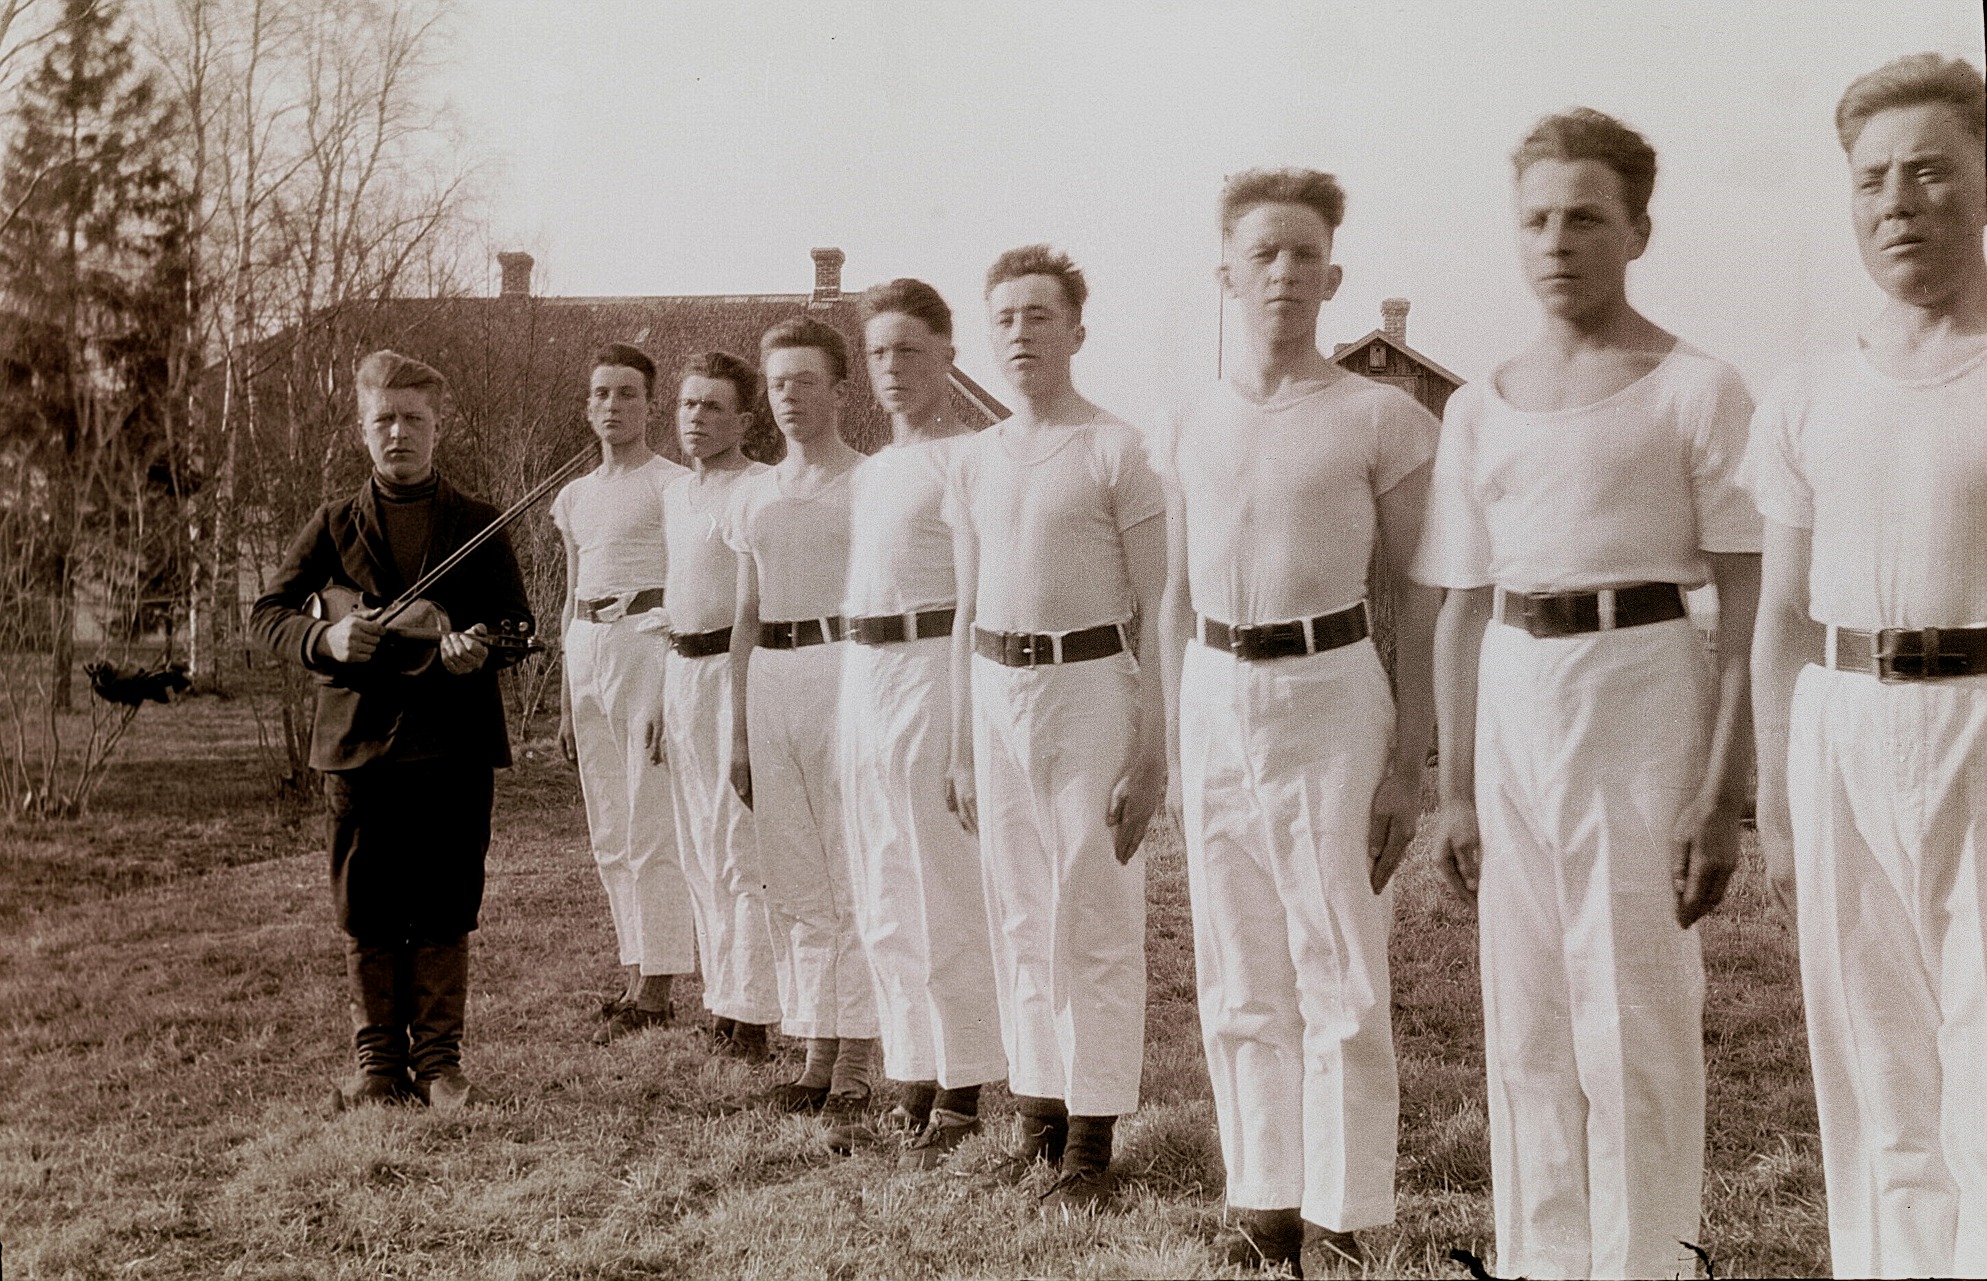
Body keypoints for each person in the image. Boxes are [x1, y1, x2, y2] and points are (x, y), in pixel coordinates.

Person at [1412, 110, 1761, 1279]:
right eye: (1537, 219)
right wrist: (1454, 790)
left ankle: (1649, 1262)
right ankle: (1543, 1260)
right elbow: (1461, 604)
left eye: (1587, 218)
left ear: (1639, 231)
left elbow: (1751, 597)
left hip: (1641, 682)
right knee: (1527, 1022)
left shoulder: (1697, 389)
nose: (1558, 241)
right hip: (1515, 693)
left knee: (1634, 1016)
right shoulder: (1477, 404)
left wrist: (1723, 792)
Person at [1159, 169, 1439, 1276]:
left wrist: (1409, 757)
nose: (1282, 272)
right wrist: (1164, 737)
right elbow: (1172, 600)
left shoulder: (1382, 416)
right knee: (1236, 966)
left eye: (1303, 253)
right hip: (1213, 690)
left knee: (1339, 965)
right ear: (1224, 270)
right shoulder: (1187, 418)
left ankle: (1345, 1213)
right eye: (1261, 251)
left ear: (1333, 274)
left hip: (1330, 689)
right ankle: (1261, 1202)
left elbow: (1417, 596)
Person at [1748, 54, 1987, 1280]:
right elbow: (1780, 614)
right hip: (1838, 728)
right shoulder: (1804, 394)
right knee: (1876, 1056)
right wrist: (1777, 810)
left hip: (1981, 728)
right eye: (1871, 179)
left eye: (1931, 169)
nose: (1897, 201)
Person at [250, 349, 533, 1112]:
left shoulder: (479, 521)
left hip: (454, 743)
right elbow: (267, 615)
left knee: (446, 898)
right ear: (362, 430)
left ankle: (440, 1065)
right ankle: (376, 1066)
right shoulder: (332, 523)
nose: (399, 432)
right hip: (357, 745)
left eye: (414, 419)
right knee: (366, 902)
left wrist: (479, 650)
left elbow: (515, 625)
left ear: (438, 428)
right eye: (385, 420)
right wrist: (325, 641)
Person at [945, 245, 1168, 1213]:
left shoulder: (1118, 448)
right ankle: (1035, 1117)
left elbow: (1162, 612)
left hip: (1091, 687)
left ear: (1077, 330)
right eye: (1004, 318)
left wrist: (1153, 749)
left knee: (1094, 910)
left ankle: (1092, 1137)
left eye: (1040, 316)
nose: (1021, 334)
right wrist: (961, 740)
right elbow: (962, 610)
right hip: (997, 692)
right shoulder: (973, 458)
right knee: (1019, 907)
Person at [838, 279, 1006, 1166]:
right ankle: (910, 1065)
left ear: (947, 352)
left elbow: (978, 601)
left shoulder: (969, 457)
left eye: (910, 349)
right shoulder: (868, 471)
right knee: (883, 880)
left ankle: (964, 1080)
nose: (893, 368)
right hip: (863, 673)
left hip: (935, 663)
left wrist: (960, 729)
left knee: (941, 880)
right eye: (878, 353)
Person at [726, 315, 881, 1114]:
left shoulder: (868, 482)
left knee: (850, 867)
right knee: (794, 876)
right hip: (771, 679)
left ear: (840, 390)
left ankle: (853, 1061)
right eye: (777, 381)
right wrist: (740, 730)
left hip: (843, 669)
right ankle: (815, 1051)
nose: (789, 395)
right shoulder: (755, 495)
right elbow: (745, 616)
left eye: (806, 380)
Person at [551, 343, 695, 1043]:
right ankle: (634, 968)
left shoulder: (673, 484)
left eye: (627, 394)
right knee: (608, 823)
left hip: (647, 643)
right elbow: (571, 592)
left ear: (650, 404)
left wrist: (673, 686)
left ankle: (660, 984)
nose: (613, 406)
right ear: (588, 405)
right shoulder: (573, 497)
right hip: (587, 648)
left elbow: (690, 588)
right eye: (602, 393)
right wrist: (562, 693)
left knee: (649, 817)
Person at [655, 351, 785, 1062]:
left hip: (735, 668)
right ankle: (722, 996)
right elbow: (668, 598)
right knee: (697, 845)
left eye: (712, 407)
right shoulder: (676, 494)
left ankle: (753, 1011)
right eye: (686, 405)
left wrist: (740, 706)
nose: (696, 419)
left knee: (740, 842)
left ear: (744, 418)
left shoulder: (758, 488)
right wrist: (656, 692)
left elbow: (749, 609)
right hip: (679, 671)